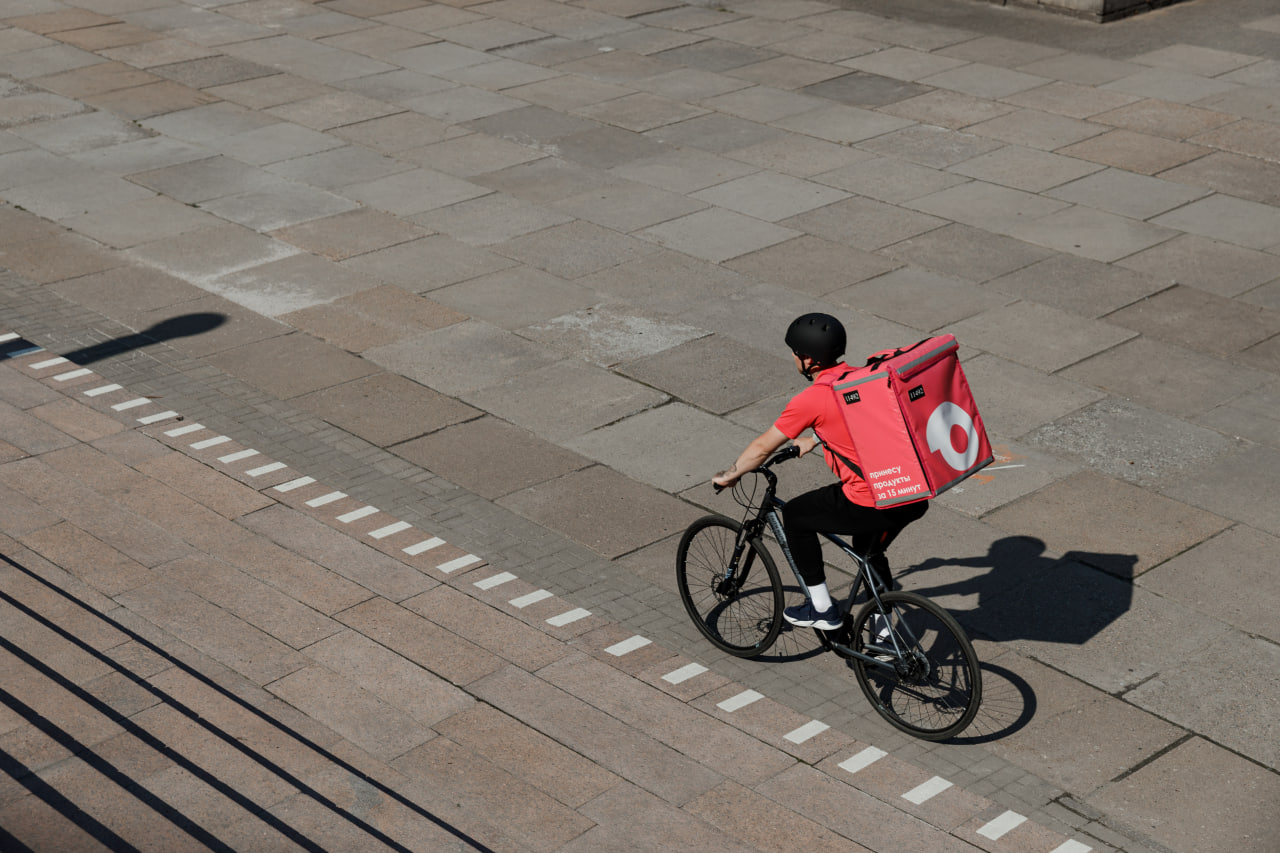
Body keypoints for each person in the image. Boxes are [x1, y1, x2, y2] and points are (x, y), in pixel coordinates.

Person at [711, 313, 928, 631]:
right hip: (911, 492)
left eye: (794, 353)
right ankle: (884, 639)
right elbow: (861, 422)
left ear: (808, 359)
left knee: (797, 516)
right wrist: (816, 438)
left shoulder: (812, 398)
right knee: (869, 551)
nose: (793, 359)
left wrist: (731, 474)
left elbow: (762, 447)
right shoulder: (863, 377)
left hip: (871, 499)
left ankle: (823, 609)